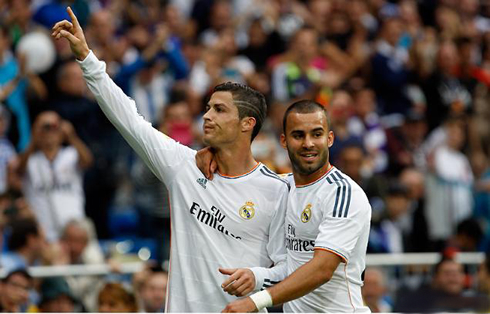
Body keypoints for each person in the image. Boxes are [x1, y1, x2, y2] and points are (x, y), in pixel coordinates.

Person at [52, 8, 288, 312]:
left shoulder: (277, 189)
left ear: (248, 124)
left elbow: (289, 268)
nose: (206, 116)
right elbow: (130, 120)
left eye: (219, 110)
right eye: (207, 108)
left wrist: (258, 277)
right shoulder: (183, 166)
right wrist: (86, 57)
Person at [221, 100, 371, 312]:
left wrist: (255, 301)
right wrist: (257, 277)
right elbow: (294, 268)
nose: (308, 143)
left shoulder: (343, 194)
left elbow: (322, 270)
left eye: (317, 134)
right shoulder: (282, 187)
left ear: (330, 139)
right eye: (298, 135)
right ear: (284, 140)